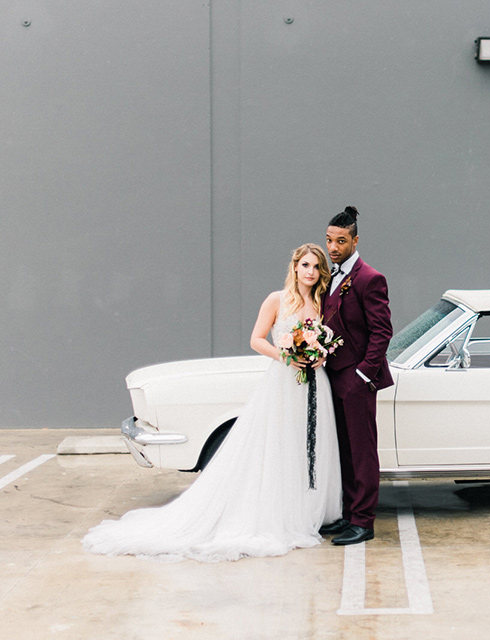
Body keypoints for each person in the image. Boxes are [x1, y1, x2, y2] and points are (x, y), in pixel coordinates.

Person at [83, 244, 342, 562]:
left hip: (316, 385)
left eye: (316, 267)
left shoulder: (322, 303)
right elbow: (257, 339)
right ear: (295, 267)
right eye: (305, 265)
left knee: (310, 447)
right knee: (280, 446)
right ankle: (281, 513)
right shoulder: (277, 300)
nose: (311, 272)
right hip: (285, 382)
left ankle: (308, 511)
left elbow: (330, 339)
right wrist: (288, 356)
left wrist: (319, 356)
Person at [318, 206, 393, 545]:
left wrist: (364, 374)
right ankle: (349, 515)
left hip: (357, 379)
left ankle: (364, 521)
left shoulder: (369, 278)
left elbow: (382, 332)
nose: (333, 247)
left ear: (355, 240)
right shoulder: (330, 276)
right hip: (333, 375)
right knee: (344, 450)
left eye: (341, 241)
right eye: (330, 240)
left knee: (362, 451)